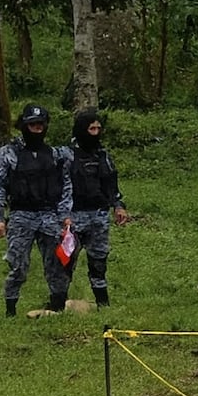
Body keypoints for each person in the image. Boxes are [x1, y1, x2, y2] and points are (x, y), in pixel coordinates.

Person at [0, 104, 73, 317]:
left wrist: (65, 216)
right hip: (21, 216)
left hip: (49, 215)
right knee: (18, 265)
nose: (37, 127)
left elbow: (65, 186)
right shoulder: (9, 153)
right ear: (24, 125)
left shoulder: (55, 154)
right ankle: (10, 311)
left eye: (41, 124)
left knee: (57, 263)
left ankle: (57, 307)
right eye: (32, 124)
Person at [65, 109, 129, 307]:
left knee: (99, 259)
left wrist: (118, 206)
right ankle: (58, 299)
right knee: (66, 260)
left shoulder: (103, 155)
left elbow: (111, 184)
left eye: (98, 128)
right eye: (91, 128)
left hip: (98, 216)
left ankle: (103, 302)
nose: (96, 132)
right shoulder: (66, 156)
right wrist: (62, 215)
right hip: (73, 216)